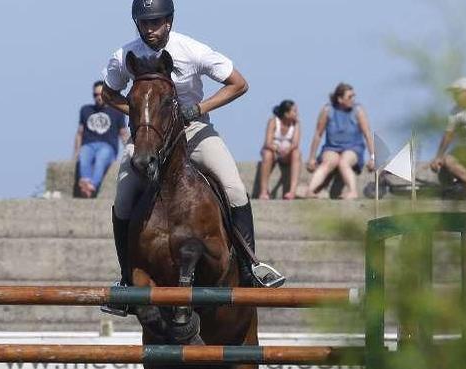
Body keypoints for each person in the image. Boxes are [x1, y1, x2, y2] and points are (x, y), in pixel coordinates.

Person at [98, 0, 285, 316]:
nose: (150, 29)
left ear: (169, 21)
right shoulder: (123, 56)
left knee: (235, 187)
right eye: (144, 23)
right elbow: (108, 93)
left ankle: (250, 266)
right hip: (150, 134)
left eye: (156, 22)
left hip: (194, 127)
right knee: (123, 197)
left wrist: (200, 109)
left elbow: (239, 84)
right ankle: (127, 279)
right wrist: (143, 114)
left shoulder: (193, 50)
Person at [304, 83, 376, 199]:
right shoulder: (328, 110)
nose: (353, 99)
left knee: (344, 162)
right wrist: (312, 157)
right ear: (340, 99)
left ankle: (352, 192)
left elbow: (367, 134)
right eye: (349, 97)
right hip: (332, 147)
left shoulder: (358, 110)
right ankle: (310, 190)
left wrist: (373, 157)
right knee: (328, 163)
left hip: (353, 147)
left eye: (354, 96)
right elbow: (318, 134)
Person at [72, 81, 128, 198]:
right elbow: (79, 133)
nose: (98, 97)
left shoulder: (117, 111)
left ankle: (92, 185)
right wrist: (76, 152)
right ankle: (86, 183)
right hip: (88, 145)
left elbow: (123, 133)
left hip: (107, 146)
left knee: (101, 159)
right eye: (95, 95)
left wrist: (128, 153)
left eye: (100, 94)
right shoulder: (85, 110)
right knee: (83, 156)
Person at [257, 100, 301, 200]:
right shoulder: (273, 121)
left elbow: (295, 143)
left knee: (297, 153)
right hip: (274, 151)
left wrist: (287, 150)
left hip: (288, 152)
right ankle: (263, 191)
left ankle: (292, 192)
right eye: (294, 111)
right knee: (267, 154)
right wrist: (276, 149)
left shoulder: (296, 124)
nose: (296, 114)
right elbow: (267, 142)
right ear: (286, 113)